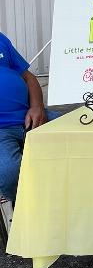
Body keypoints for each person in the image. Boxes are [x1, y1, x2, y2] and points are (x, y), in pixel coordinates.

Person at [0, 32, 49, 204]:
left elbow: (29, 77)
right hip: (2, 131)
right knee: (9, 172)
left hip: (30, 115)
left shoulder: (1, 39)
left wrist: (37, 106)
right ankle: (29, 212)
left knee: (76, 131)